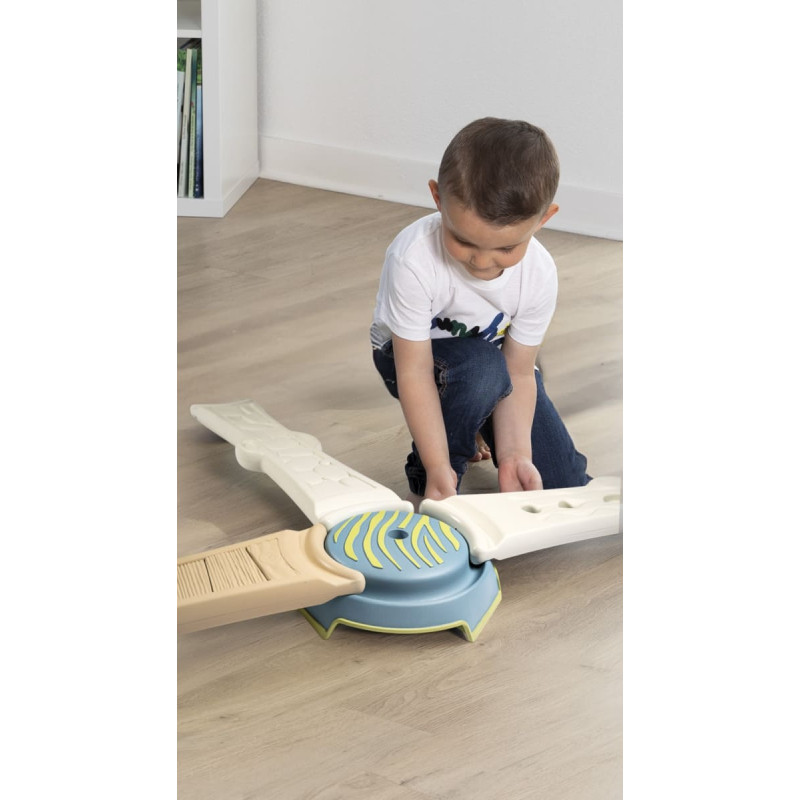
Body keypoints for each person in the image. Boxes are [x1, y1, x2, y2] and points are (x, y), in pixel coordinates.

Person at [370, 117, 590, 509]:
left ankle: (471, 418)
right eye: (463, 240)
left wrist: (515, 454)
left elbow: (519, 372)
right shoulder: (413, 258)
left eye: (506, 248)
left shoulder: (539, 273)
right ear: (438, 199)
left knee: (562, 486)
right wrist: (437, 466)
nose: (482, 262)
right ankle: (434, 478)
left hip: (497, 371)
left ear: (544, 219)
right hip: (408, 361)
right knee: (481, 369)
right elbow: (414, 372)